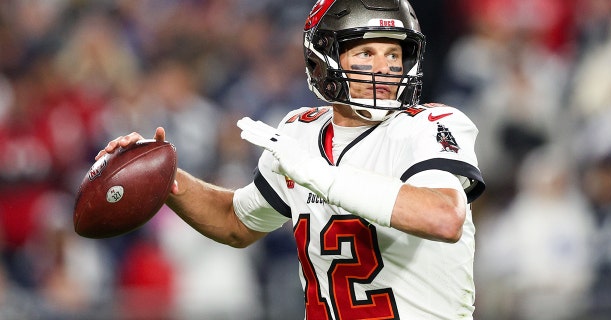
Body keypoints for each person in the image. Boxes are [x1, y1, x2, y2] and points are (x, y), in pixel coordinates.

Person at [96, 0, 485, 318]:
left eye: (394, 53)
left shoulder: (430, 125)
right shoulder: (301, 132)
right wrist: (164, 176)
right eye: (366, 52)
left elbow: (442, 216)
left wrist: (320, 174)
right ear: (324, 58)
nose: (385, 68)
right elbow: (236, 222)